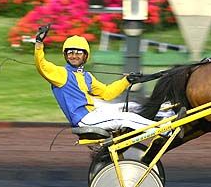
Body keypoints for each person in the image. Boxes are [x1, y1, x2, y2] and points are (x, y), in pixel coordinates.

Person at [33, 25, 162, 133]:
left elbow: (107, 93)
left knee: (130, 108)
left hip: (94, 114)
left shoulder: (87, 76)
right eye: (70, 52)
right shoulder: (61, 74)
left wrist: (126, 81)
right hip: (84, 119)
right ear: (65, 55)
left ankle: (163, 118)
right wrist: (39, 44)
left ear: (85, 56)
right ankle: (162, 130)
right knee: (126, 118)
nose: (74, 56)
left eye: (78, 53)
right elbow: (42, 66)